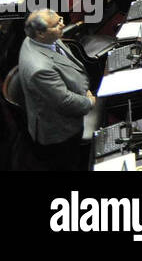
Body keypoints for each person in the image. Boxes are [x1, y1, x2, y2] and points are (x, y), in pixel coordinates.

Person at [15, 10, 96, 171]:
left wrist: (84, 89)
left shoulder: (42, 38)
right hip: (61, 131)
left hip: (69, 96)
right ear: (40, 33)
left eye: (60, 19)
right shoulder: (39, 69)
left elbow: (67, 64)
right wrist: (88, 101)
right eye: (57, 24)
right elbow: (64, 102)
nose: (63, 25)